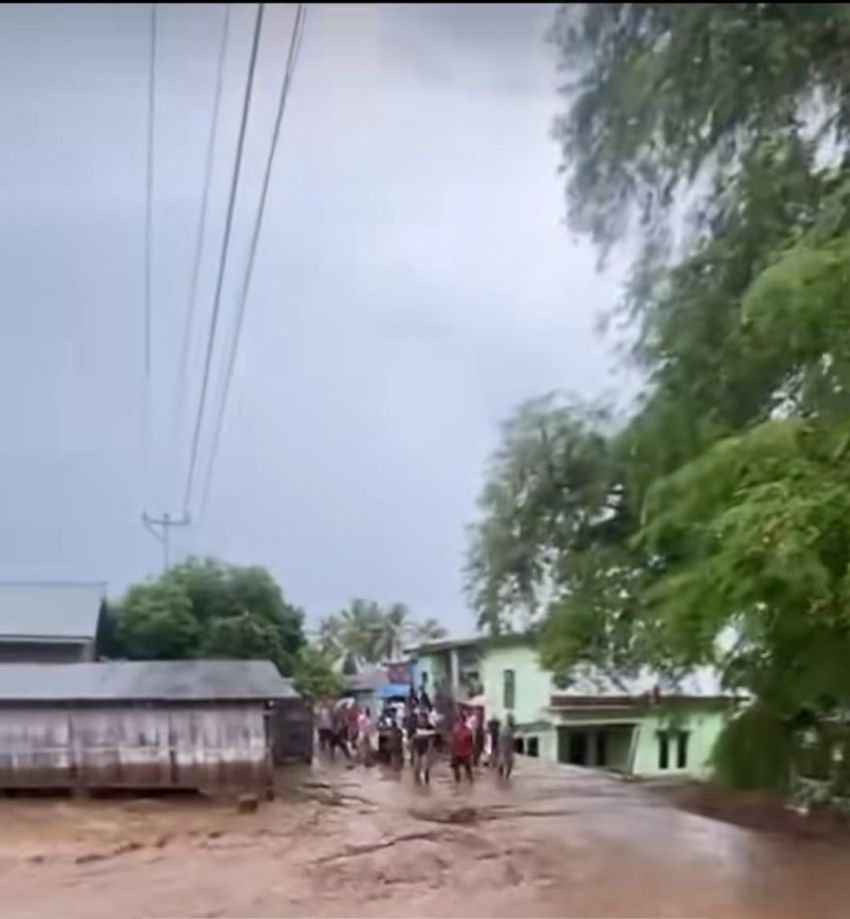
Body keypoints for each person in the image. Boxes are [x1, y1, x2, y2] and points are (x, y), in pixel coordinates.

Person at [411, 708, 437, 784]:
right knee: (417, 766)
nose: (421, 720)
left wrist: (430, 750)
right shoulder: (415, 726)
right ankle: (416, 782)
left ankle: (426, 780)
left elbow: (432, 740)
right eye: (419, 718)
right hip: (417, 748)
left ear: (426, 719)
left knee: (426, 766)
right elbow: (412, 738)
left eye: (422, 718)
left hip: (426, 748)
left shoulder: (430, 727)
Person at [450, 715, 474, 784]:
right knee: (456, 770)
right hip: (457, 752)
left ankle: (470, 782)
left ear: (464, 721)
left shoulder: (467, 731)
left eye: (462, 721)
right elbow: (452, 742)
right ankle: (458, 783)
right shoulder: (455, 730)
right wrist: (452, 752)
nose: (460, 722)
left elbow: (471, 742)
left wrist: (471, 751)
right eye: (459, 721)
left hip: (465, 753)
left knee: (468, 770)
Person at [498, 713, 516, 779]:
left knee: (509, 763)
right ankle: (503, 777)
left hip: (508, 748)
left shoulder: (510, 728)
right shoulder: (505, 728)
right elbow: (503, 738)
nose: (512, 721)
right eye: (511, 719)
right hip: (505, 748)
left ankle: (505, 777)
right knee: (503, 762)